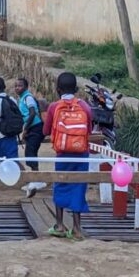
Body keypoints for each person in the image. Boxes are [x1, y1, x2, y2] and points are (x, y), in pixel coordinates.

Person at [43, 72, 93, 241]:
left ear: (57, 89)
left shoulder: (54, 107)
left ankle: (59, 224)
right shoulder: (85, 107)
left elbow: (46, 130)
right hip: (81, 154)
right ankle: (77, 228)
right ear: (77, 89)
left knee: (61, 184)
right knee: (79, 186)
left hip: (63, 154)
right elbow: (89, 130)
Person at [16, 77, 47, 198]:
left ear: (26, 87)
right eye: (16, 86)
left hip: (36, 127)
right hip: (32, 128)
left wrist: (26, 129)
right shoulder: (22, 98)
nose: (17, 88)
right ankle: (36, 179)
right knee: (31, 152)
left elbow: (32, 113)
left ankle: (37, 180)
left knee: (31, 152)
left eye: (20, 86)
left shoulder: (28, 98)